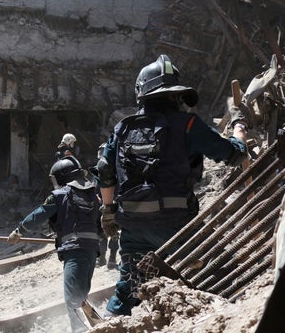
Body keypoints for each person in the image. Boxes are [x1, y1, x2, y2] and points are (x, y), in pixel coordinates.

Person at [94, 54, 247, 317]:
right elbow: (234, 155)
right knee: (214, 272)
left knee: (129, 285)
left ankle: (111, 320)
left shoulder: (122, 129)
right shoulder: (188, 124)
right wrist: (239, 129)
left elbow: (105, 171)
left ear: (141, 93)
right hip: (177, 227)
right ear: (175, 95)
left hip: (133, 225)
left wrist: (108, 210)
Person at [7, 157, 99, 333]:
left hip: (74, 251)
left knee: (73, 298)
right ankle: (92, 327)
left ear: (61, 177)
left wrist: (19, 231)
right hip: (92, 250)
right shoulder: (91, 194)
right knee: (81, 295)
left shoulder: (59, 196)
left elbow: (38, 216)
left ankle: (81, 330)